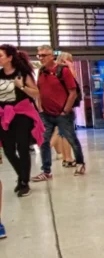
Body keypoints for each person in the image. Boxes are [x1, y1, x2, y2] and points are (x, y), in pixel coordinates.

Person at [33, 45, 86, 180]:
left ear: (52, 56)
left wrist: (65, 110)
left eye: (44, 55)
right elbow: (40, 91)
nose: (41, 58)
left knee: (71, 138)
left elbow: (73, 92)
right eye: (39, 55)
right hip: (46, 114)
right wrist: (40, 108)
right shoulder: (41, 71)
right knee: (44, 141)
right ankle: (46, 171)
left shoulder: (63, 71)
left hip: (62, 113)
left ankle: (80, 163)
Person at [0, 45, 43, 197]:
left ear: (10, 57)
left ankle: (24, 182)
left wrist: (22, 86)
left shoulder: (22, 74)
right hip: (5, 116)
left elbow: (36, 93)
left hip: (22, 114)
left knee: (23, 147)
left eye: (1, 56)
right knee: (8, 150)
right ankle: (22, 175)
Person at [51, 52, 76, 168]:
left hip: (54, 105)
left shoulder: (52, 71)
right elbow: (74, 84)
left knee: (60, 132)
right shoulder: (65, 70)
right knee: (65, 132)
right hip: (65, 105)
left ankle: (65, 157)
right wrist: (70, 67)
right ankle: (67, 157)